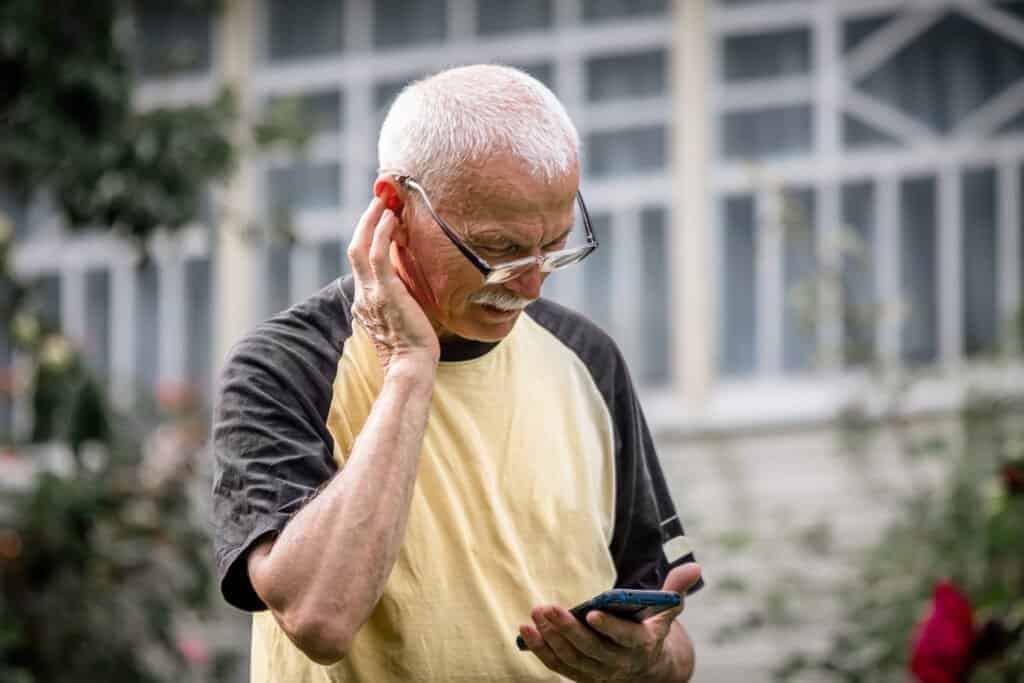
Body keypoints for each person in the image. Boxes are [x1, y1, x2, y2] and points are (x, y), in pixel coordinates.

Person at [212, 64, 703, 682]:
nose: (531, 282)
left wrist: (645, 659)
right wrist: (410, 369)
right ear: (394, 205)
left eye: (554, 244)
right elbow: (319, 618)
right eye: (499, 249)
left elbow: (674, 645)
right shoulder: (285, 365)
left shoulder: (588, 356)